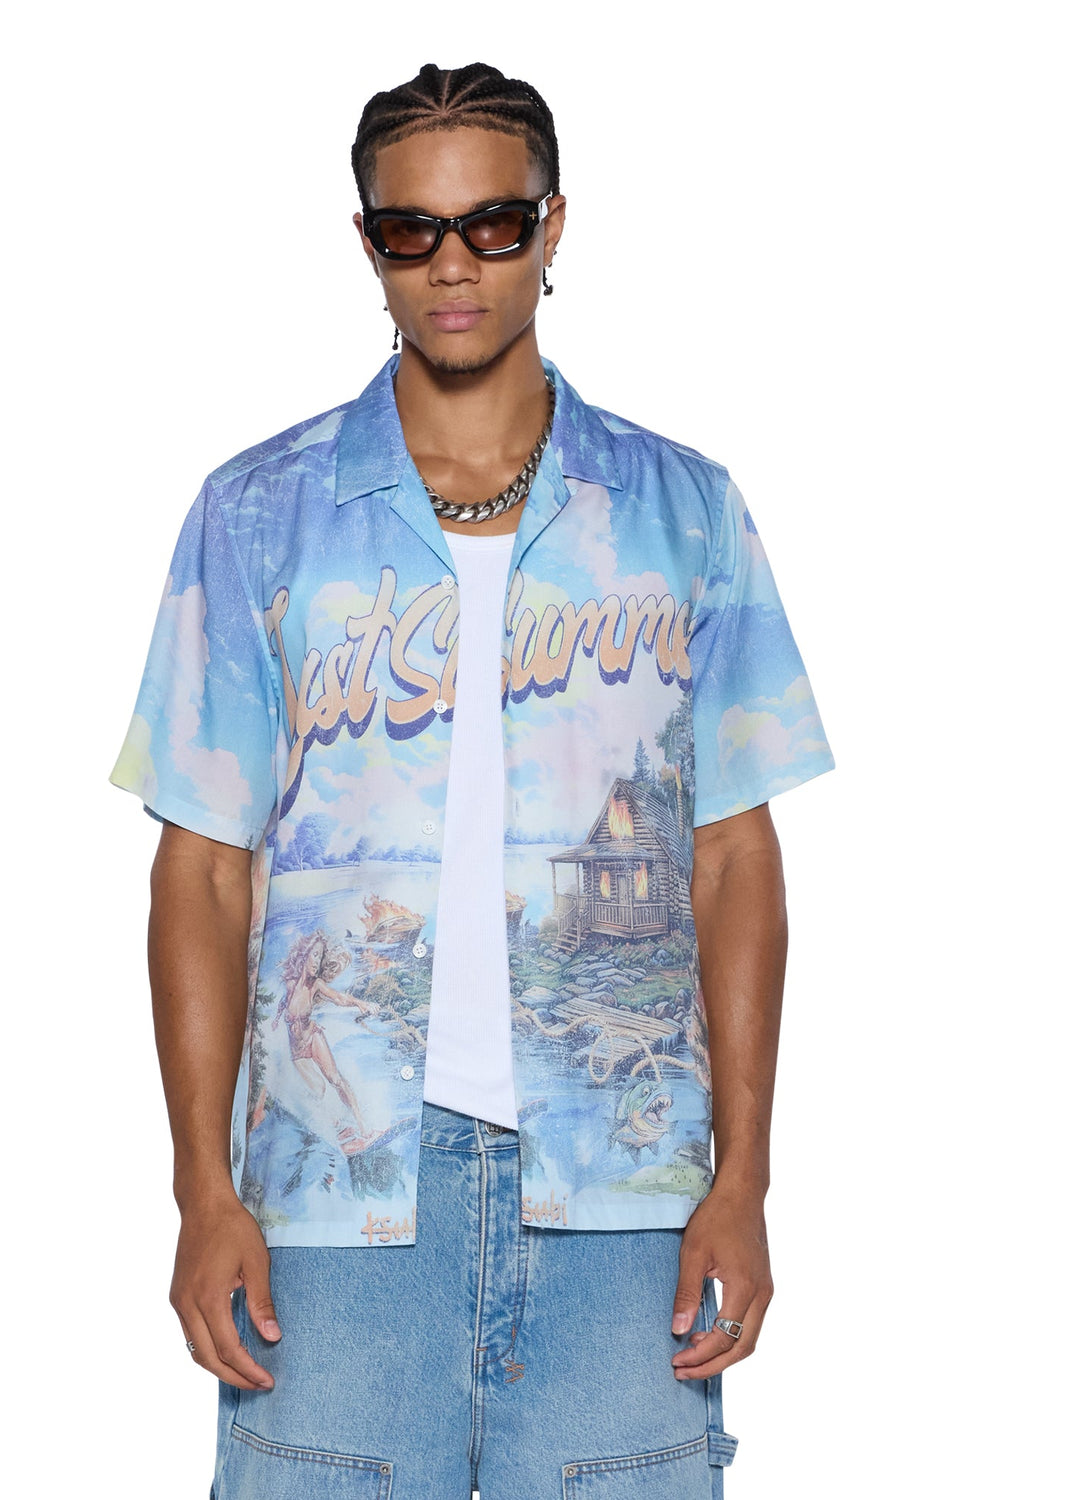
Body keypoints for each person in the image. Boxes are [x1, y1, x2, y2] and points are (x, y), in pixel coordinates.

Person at [108, 60, 834, 1500]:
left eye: (493, 224)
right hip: (334, 1206)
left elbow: (733, 857)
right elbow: (202, 868)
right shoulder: (257, 516)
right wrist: (202, 1192)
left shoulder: (683, 510)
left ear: (552, 228)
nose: (454, 265)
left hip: (624, 1206)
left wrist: (743, 1181)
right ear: (368, 243)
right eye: (412, 231)